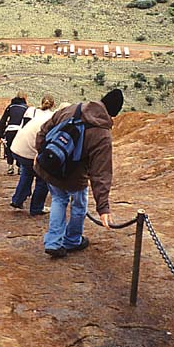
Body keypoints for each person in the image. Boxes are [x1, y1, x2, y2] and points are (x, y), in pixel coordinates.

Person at [34, 89, 124, 258]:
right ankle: (72, 240)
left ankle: (53, 242)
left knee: (58, 200)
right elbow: (101, 173)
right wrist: (103, 207)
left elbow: (44, 130)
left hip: (53, 166)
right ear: (114, 113)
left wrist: (40, 153)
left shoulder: (72, 109)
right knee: (79, 205)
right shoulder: (103, 135)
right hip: (75, 177)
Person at [9, 94, 56, 215]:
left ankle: (17, 200)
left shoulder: (39, 114)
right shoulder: (54, 119)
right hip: (28, 150)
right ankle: (36, 208)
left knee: (27, 173)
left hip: (17, 147)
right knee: (43, 178)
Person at [0, 91, 28, 175]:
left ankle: (10, 167)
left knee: (9, 148)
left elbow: (2, 121)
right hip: (20, 131)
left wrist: (0, 135)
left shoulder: (10, 107)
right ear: (25, 98)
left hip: (10, 130)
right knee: (20, 149)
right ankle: (19, 167)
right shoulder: (26, 108)